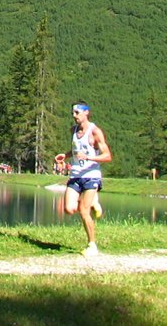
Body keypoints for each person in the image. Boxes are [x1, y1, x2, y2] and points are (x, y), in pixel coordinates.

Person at [65, 102, 111, 258]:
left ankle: (92, 245)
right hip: (76, 175)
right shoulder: (73, 130)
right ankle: (93, 202)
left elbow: (107, 156)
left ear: (86, 113)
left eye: (77, 112)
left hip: (91, 175)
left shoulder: (95, 132)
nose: (74, 115)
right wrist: (65, 155)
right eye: (73, 113)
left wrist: (89, 157)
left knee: (84, 211)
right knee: (69, 209)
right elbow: (76, 150)